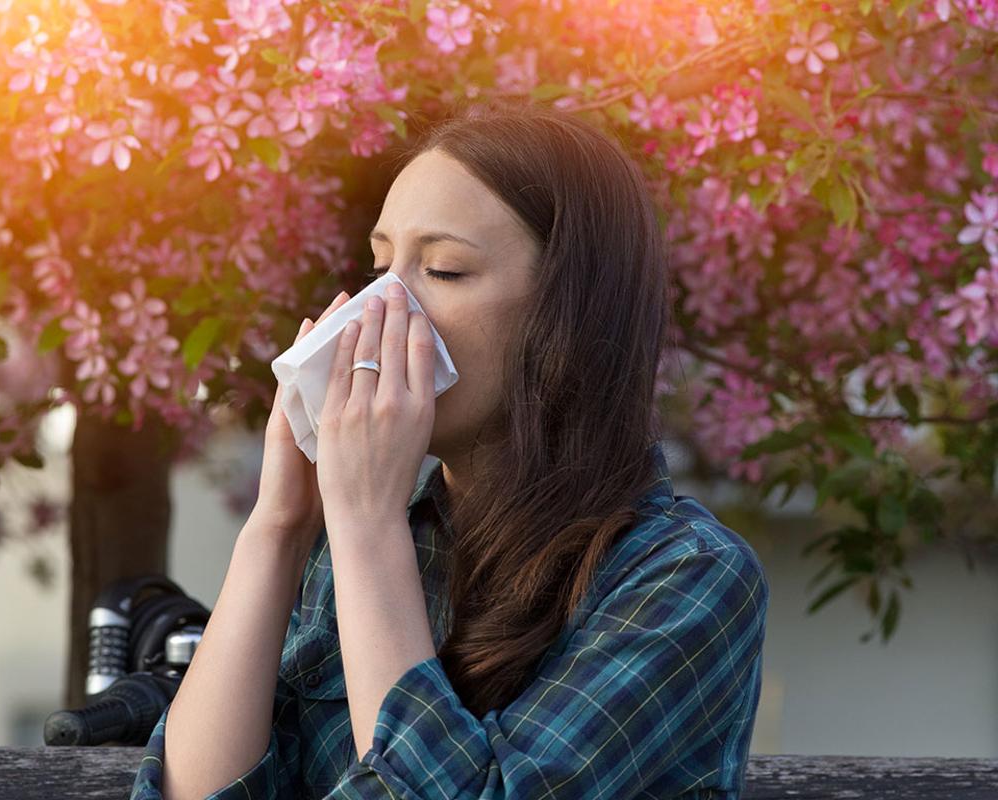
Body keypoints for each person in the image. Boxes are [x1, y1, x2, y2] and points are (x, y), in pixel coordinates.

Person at [128, 99, 769, 800]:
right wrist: (277, 528)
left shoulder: (687, 579)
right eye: (380, 269)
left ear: (567, 313)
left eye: (445, 271)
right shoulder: (354, 548)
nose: (382, 310)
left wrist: (368, 526)